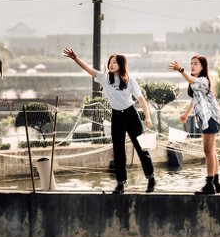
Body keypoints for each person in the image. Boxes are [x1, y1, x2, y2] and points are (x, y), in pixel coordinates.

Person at [63, 47, 156, 194]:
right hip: (117, 117)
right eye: (110, 62)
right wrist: (75, 58)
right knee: (118, 151)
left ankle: (150, 178)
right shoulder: (105, 78)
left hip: (131, 116)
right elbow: (88, 69)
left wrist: (148, 117)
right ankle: (120, 184)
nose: (111, 64)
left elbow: (141, 99)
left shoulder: (129, 80)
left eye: (114, 62)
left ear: (121, 64)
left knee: (141, 148)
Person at [169, 55, 220, 195]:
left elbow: (190, 79)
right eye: (191, 64)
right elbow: (195, 100)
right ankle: (215, 182)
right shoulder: (197, 83)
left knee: (208, 151)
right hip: (210, 118)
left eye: (195, 64)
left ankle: (209, 183)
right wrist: (186, 114)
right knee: (211, 151)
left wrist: (180, 70)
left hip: (210, 118)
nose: (192, 66)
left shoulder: (203, 80)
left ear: (203, 67)